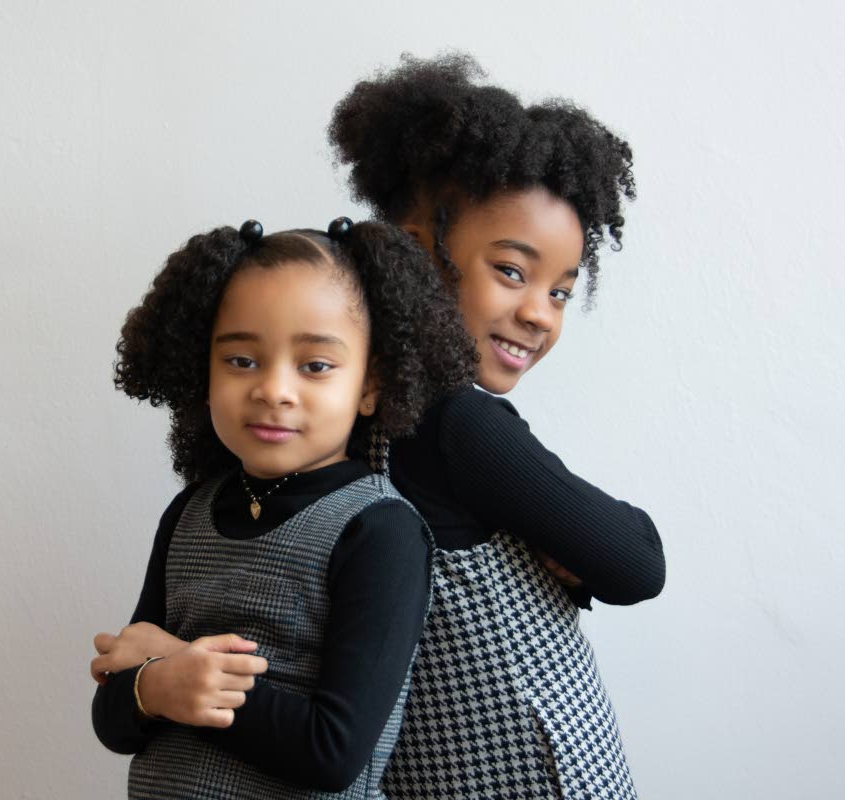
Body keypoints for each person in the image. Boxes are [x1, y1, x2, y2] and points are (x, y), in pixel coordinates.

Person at [324, 54, 667, 798]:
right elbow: (638, 565)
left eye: (563, 292)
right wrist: (605, 536)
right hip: (539, 773)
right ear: (417, 255)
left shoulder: (350, 410)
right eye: (512, 271)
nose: (540, 311)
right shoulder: (461, 425)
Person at [90, 218, 476, 799]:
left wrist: (174, 665)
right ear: (204, 372)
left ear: (371, 385)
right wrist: (153, 688)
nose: (273, 389)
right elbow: (113, 717)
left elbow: (333, 751)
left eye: (315, 365)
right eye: (242, 361)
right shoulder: (187, 515)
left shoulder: (380, 530)